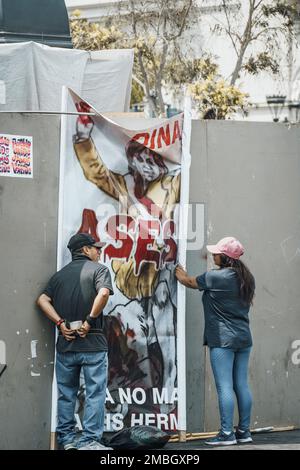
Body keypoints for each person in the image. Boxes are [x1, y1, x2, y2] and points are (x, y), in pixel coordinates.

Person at [37, 233, 114, 450]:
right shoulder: (99, 270)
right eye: (95, 248)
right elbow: (104, 293)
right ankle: (89, 441)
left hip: (66, 344)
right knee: (95, 393)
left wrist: (60, 323)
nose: (99, 251)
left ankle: (67, 441)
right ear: (85, 250)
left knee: (66, 394)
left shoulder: (58, 277)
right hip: (92, 344)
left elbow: (42, 300)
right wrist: (89, 321)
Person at [175, 237, 255, 447]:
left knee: (225, 387)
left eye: (216, 253)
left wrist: (177, 268)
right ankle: (244, 431)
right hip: (243, 338)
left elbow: (188, 281)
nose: (213, 255)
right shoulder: (247, 277)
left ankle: (227, 434)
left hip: (222, 340)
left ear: (225, 257)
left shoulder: (216, 277)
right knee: (241, 385)